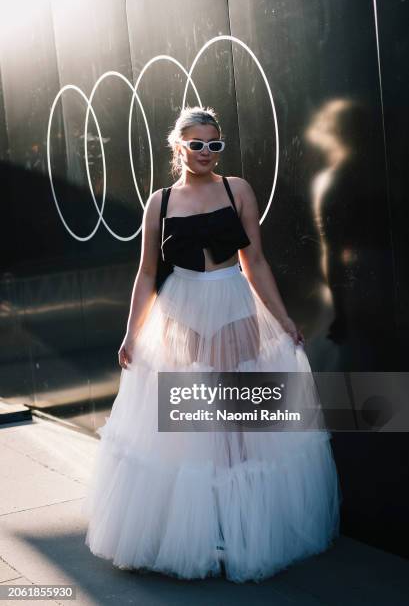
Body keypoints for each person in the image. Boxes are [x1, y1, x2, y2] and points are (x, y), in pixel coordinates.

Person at [82, 106, 341, 583]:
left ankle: (241, 528)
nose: (206, 152)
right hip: (180, 311)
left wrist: (283, 318)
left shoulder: (235, 188)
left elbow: (255, 262)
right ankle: (202, 532)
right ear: (178, 146)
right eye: (197, 144)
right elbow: (145, 273)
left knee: (239, 423)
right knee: (189, 423)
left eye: (215, 144)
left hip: (233, 307)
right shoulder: (159, 202)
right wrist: (130, 332)